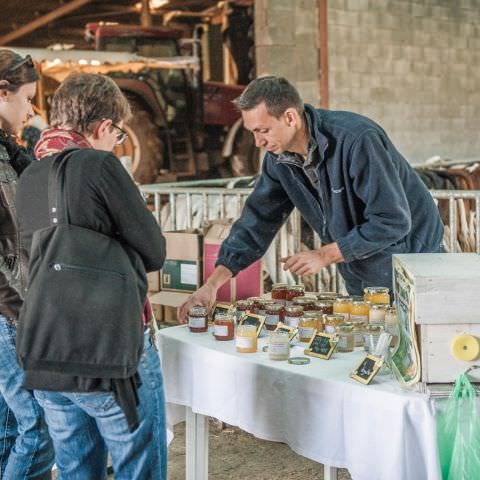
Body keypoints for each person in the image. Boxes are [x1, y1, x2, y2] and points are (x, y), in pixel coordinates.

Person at [179, 75, 443, 318]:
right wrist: (212, 285)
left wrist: (323, 256)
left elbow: (392, 221)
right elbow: (256, 223)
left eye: (263, 130)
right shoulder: (278, 160)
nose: (257, 142)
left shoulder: (357, 140)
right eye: (252, 132)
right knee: (372, 348)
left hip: (412, 261)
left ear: (291, 118)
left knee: (414, 354)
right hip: (358, 265)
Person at [16, 72, 167, 479]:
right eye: (118, 134)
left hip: (47, 353)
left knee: (75, 469)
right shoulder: (100, 166)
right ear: (104, 127)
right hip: (110, 353)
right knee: (139, 468)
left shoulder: (30, 175)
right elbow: (154, 251)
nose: (117, 142)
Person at [0, 48, 54, 479]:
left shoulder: (8, 151)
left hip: (11, 311)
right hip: (8, 313)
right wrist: (21, 313)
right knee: (39, 428)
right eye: (28, 99)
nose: (32, 109)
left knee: (8, 428)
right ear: (2, 94)